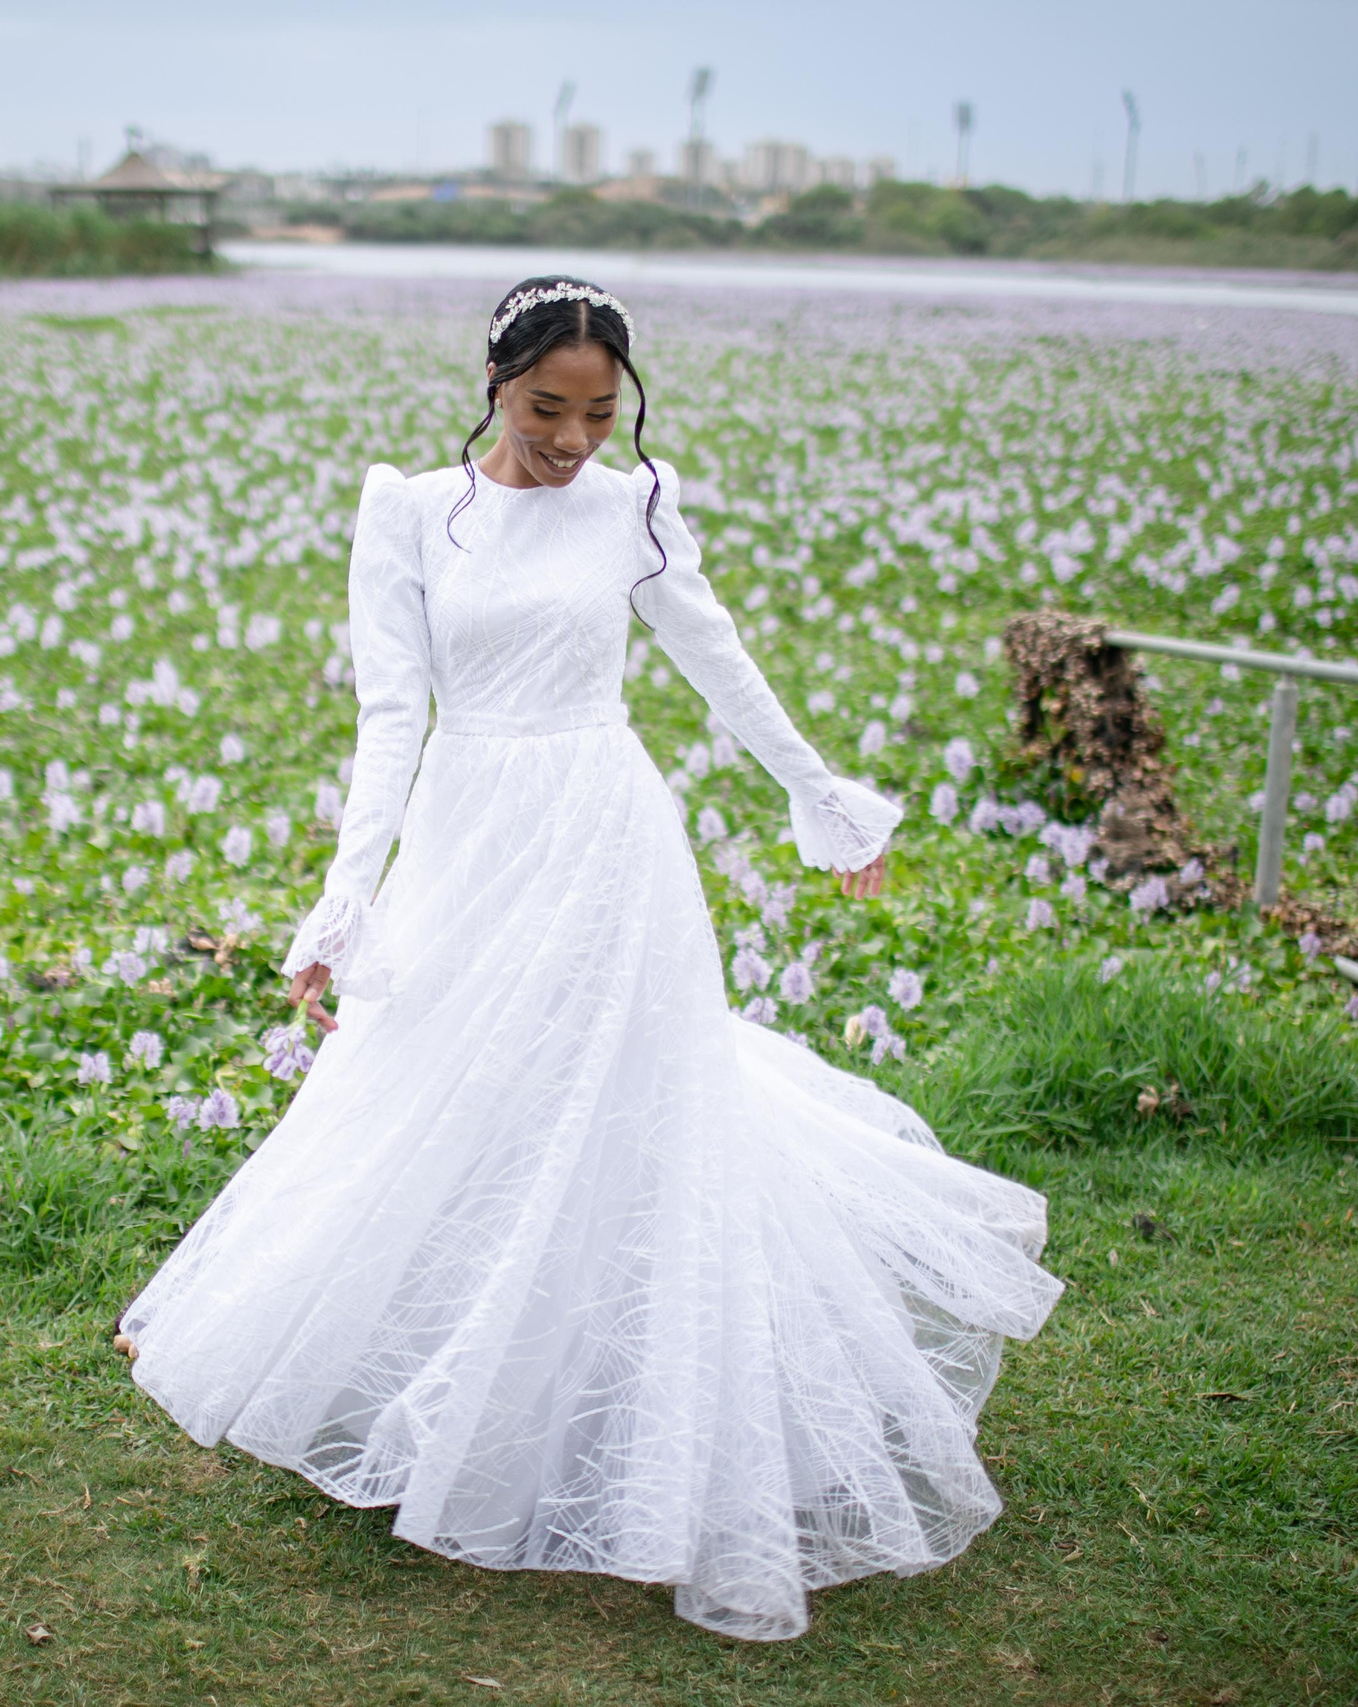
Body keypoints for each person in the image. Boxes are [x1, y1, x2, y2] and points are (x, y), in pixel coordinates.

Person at [116, 275, 1063, 1641]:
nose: (572, 440)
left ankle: (619, 1391)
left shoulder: (635, 507)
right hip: (471, 827)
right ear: (495, 383)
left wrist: (826, 796)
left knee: (626, 1096)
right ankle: (407, 1363)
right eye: (548, 408)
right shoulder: (409, 513)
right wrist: (344, 904)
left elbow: (719, 665)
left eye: (599, 413)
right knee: (437, 1081)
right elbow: (393, 717)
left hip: (607, 831)